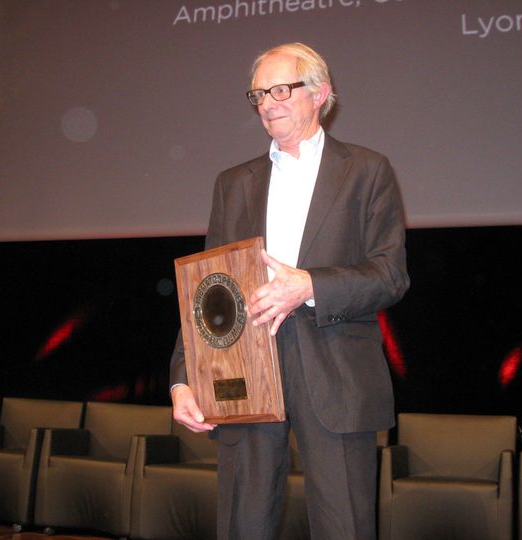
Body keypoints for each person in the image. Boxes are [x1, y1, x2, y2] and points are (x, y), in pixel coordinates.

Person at [170, 42, 409, 539]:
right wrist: (183, 378)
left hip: (338, 374)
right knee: (243, 525)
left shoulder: (366, 170)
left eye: (281, 89)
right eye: (259, 93)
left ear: (320, 93)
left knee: (345, 526)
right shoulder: (233, 183)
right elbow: (207, 291)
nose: (267, 102)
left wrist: (309, 286)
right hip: (244, 373)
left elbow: (390, 275)